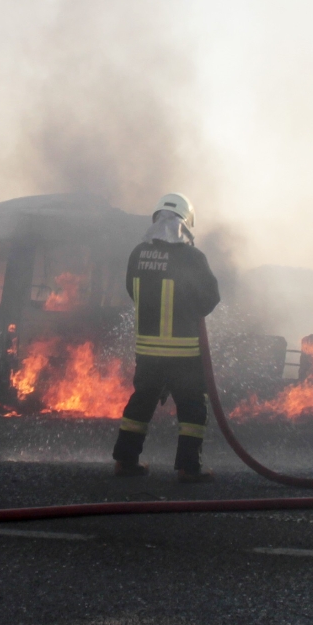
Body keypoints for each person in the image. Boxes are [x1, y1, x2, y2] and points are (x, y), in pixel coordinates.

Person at [112, 192, 222, 482]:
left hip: (148, 351)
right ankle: (188, 468)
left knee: (141, 403)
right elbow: (210, 298)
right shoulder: (192, 257)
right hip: (184, 352)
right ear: (185, 225)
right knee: (191, 410)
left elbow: (131, 291)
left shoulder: (138, 253)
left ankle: (125, 461)